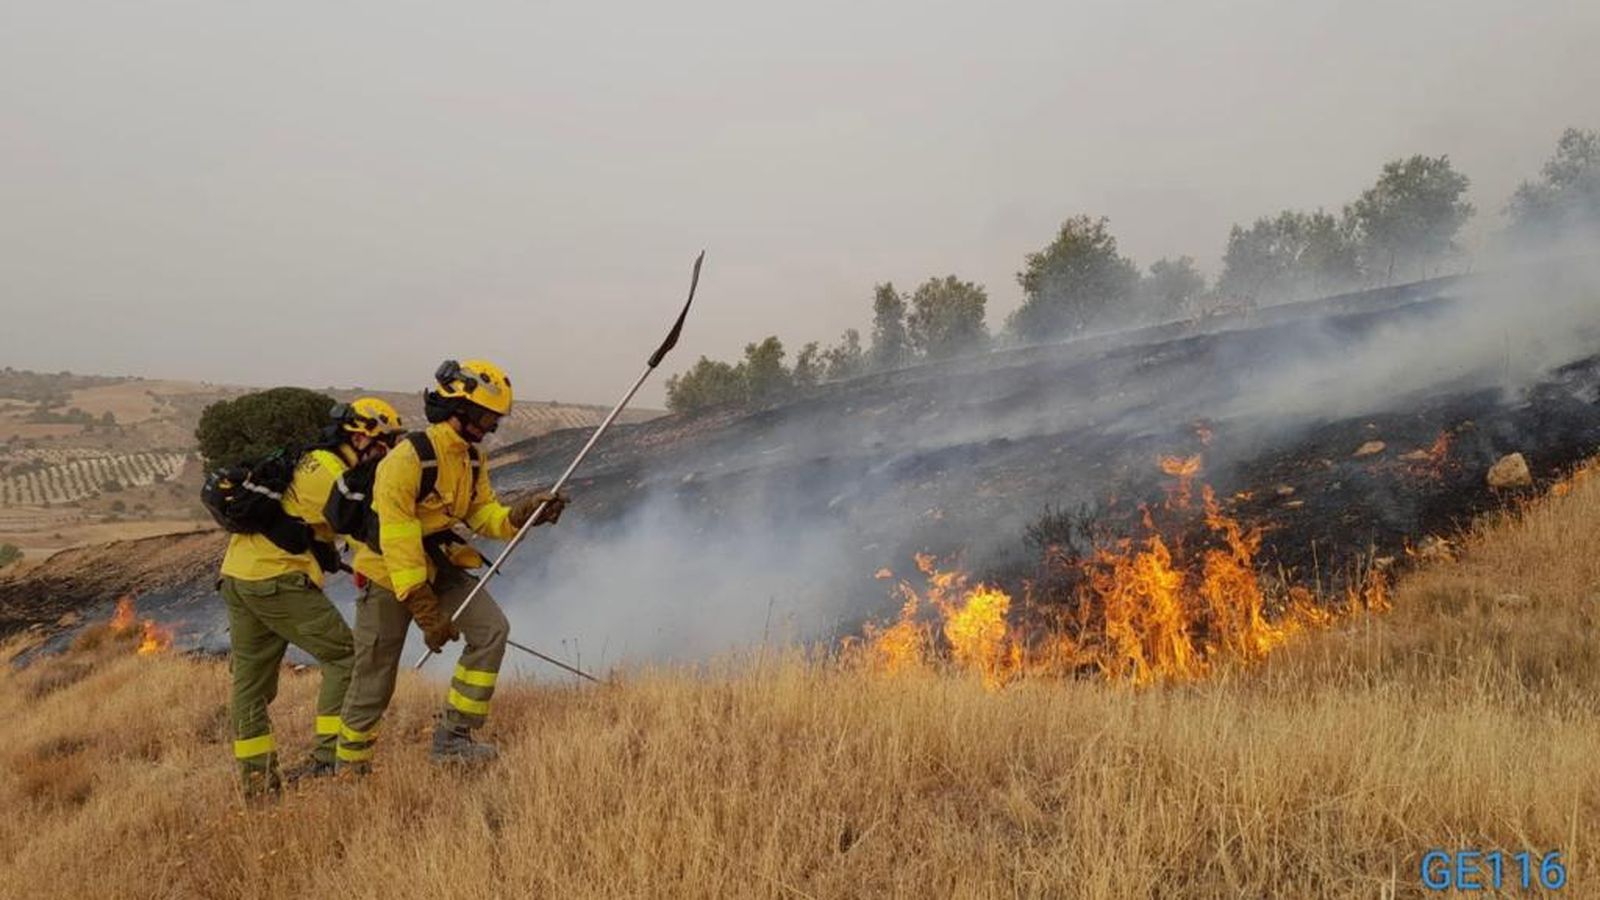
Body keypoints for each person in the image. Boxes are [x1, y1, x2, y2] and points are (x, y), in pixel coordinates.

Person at [337, 359, 566, 770]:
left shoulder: (471, 459)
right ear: (457, 408)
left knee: (491, 630)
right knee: (376, 675)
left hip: (437, 565)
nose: (489, 426)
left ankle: (454, 737)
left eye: (494, 419)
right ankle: (350, 765)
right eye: (484, 416)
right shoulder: (407, 459)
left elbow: (482, 515)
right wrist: (421, 604)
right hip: (389, 574)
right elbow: (397, 533)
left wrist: (523, 514)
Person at [218, 397, 404, 799]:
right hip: (278, 579)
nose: (385, 454)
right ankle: (330, 758)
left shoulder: (310, 460)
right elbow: (365, 530)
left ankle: (259, 786)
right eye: (383, 444)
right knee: (346, 657)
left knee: (250, 687)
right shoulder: (333, 474)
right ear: (359, 435)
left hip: (238, 576)